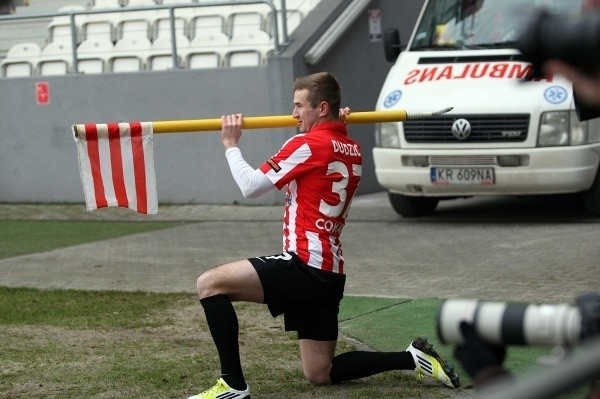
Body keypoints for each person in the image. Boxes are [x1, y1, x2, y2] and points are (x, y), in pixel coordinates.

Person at [186, 72, 460, 399]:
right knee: (320, 372)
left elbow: (250, 187)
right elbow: (332, 146)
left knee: (210, 284)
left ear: (322, 108)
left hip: (302, 264)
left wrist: (231, 144)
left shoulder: (306, 144)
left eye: (300, 106)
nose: (293, 114)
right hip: (329, 272)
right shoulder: (352, 148)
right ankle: (412, 357)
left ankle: (232, 385)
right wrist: (336, 124)